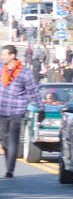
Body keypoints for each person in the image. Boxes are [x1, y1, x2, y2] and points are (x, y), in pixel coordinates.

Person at [0, 44, 44, 177]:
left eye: (4, 54)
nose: (2, 57)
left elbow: (33, 91)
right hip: (2, 109)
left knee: (13, 139)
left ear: (12, 56)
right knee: (3, 139)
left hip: (17, 111)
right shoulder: (1, 69)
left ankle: (10, 169)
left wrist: (40, 108)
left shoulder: (24, 72)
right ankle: (9, 159)